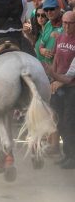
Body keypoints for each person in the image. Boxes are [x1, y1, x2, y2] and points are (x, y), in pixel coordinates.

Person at [45, 10, 75, 169]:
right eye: (64, 23)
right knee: (59, 122)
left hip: (71, 88)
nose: (67, 26)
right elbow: (56, 58)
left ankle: (72, 156)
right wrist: (53, 78)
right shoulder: (61, 37)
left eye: (70, 23)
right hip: (58, 84)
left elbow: (71, 75)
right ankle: (67, 154)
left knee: (70, 123)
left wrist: (56, 78)